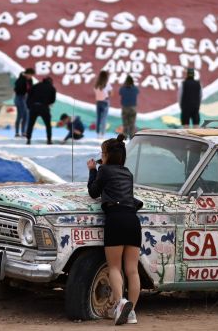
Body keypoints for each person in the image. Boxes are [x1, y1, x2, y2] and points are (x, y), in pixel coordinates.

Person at [87, 135, 141, 325]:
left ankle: (120, 304)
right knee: (132, 270)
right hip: (133, 220)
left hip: (116, 219)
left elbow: (93, 192)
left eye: (103, 153)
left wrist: (93, 170)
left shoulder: (103, 170)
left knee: (114, 267)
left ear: (107, 156)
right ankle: (131, 312)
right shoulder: (127, 173)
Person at [25, 76, 56, 145]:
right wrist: (47, 103)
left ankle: (28, 139)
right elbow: (53, 100)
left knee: (31, 124)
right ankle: (49, 140)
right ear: (50, 82)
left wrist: (29, 106)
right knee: (48, 125)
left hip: (34, 107)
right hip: (44, 107)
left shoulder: (35, 86)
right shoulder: (52, 88)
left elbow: (29, 95)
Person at [13, 68, 35, 138]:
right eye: (30, 75)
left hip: (26, 99)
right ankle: (17, 132)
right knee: (21, 115)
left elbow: (31, 89)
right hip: (20, 98)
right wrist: (24, 92)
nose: (31, 77)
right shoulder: (20, 79)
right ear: (27, 74)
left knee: (26, 115)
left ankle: (23, 132)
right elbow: (16, 89)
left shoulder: (30, 80)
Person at [93, 70, 112, 137]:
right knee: (104, 118)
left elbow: (95, 91)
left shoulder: (96, 84)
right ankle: (102, 133)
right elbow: (111, 93)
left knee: (98, 118)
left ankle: (97, 133)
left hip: (98, 102)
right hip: (105, 101)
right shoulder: (107, 84)